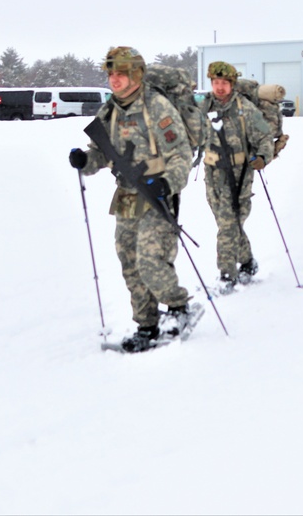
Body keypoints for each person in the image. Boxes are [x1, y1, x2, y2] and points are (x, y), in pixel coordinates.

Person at [69, 46, 198, 352]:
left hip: (157, 195)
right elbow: (101, 153)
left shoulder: (157, 107)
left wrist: (167, 184)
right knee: (129, 263)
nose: (115, 79)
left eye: (122, 73)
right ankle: (147, 325)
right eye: (111, 73)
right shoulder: (109, 111)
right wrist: (84, 161)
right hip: (126, 196)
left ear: (136, 74)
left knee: (150, 260)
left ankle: (180, 309)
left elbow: (181, 154)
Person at [199, 61, 274, 287]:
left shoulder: (245, 110)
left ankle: (226, 275)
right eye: (215, 82)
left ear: (232, 84)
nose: (219, 87)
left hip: (238, 175)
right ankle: (247, 261)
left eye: (224, 83)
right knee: (227, 224)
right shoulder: (203, 106)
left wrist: (262, 157)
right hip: (212, 174)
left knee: (227, 225)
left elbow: (265, 138)